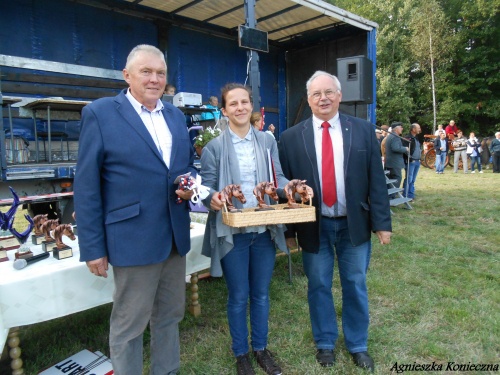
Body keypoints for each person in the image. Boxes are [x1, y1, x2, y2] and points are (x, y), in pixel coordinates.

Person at [74, 44, 197, 375]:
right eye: (146, 71)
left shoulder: (174, 115)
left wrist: (190, 184)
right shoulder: (100, 114)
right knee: (129, 327)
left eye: (160, 73)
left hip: (173, 237)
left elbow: (186, 167)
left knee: (170, 316)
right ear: (127, 75)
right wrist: (93, 248)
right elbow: (86, 187)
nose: (154, 79)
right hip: (131, 239)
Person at [278, 71, 392, 372]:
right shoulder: (290, 138)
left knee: (355, 283)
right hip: (314, 225)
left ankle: (357, 344)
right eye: (316, 94)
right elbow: (285, 190)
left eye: (329, 92)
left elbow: (376, 181)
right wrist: (289, 231)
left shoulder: (363, 131)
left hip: (354, 224)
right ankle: (325, 343)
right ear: (309, 99)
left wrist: (382, 224)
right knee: (318, 285)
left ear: (340, 95)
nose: (323, 98)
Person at [200, 83, 294, 375]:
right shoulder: (214, 147)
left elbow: (277, 177)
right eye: (233, 104)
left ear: (251, 106)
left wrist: (288, 187)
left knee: (261, 294)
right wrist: (212, 198)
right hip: (233, 233)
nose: (240, 108)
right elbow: (207, 189)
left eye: (245, 102)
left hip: (263, 230)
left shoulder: (266, 141)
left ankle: (261, 349)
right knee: (239, 296)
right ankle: (241, 353)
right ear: (224, 110)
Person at [384, 122, 409, 191]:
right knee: (396, 179)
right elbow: (395, 148)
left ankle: (388, 196)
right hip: (395, 163)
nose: (402, 128)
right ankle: (392, 196)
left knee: (390, 180)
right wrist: (405, 148)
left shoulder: (390, 136)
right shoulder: (395, 137)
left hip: (390, 162)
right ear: (396, 129)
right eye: (401, 127)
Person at [402, 123, 422, 201]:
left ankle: (411, 194)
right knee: (409, 179)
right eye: (418, 128)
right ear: (413, 129)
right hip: (411, 162)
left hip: (417, 161)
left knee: (413, 180)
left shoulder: (416, 138)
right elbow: (405, 149)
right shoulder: (407, 138)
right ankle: (405, 195)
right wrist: (409, 158)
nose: (419, 129)